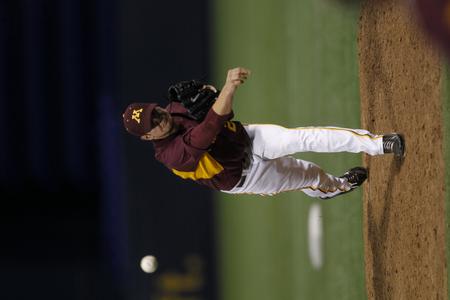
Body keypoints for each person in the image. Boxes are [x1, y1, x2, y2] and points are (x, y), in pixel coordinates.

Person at [122, 67, 405, 199]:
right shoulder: (171, 156)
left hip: (249, 138)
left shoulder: (174, 108)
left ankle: (379, 144)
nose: (159, 119)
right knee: (312, 175)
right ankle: (340, 186)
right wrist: (229, 87)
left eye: (155, 112)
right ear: (148, 137)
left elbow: (222, 112)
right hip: (247, 177)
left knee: (305, 137)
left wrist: (212, 92)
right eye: (152, 124)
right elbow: (209, 129)